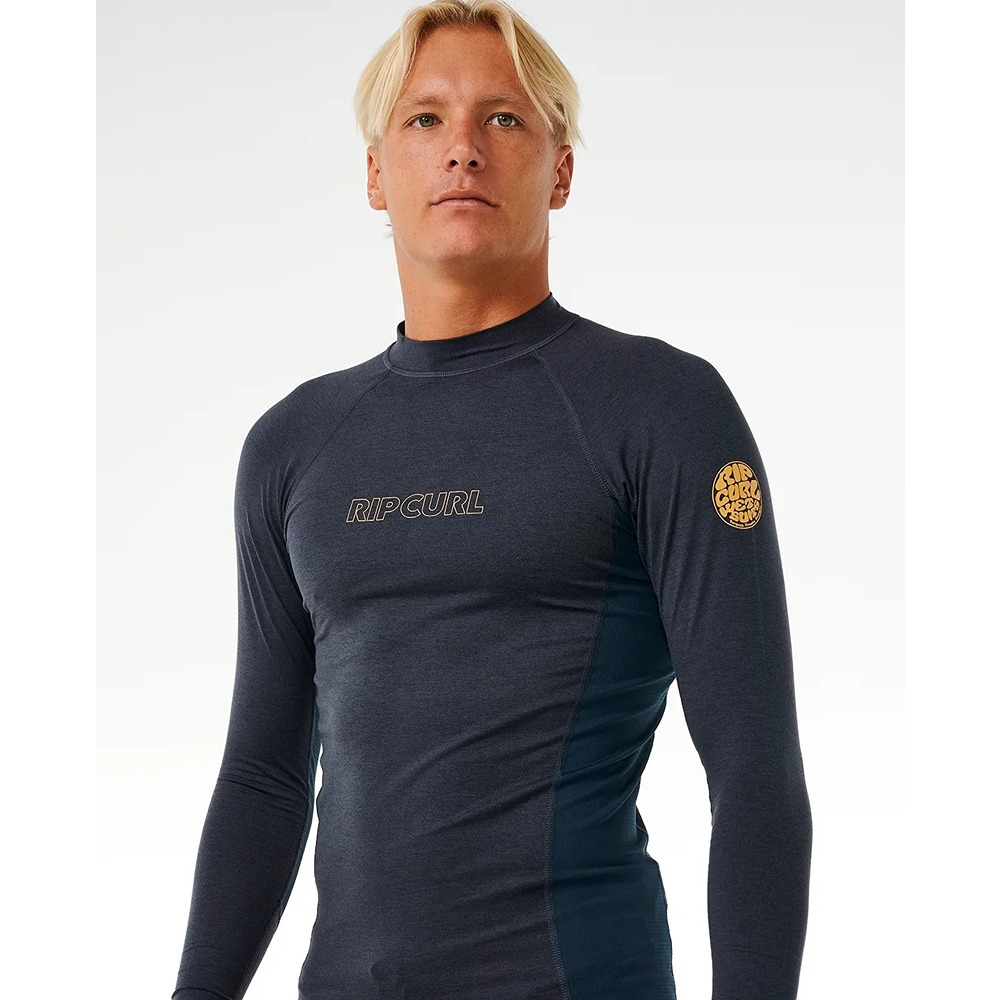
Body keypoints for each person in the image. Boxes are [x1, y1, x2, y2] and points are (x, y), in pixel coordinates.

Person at [170, 2, 813, 998]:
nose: (462, 147)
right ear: (375, 174)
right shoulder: (293, 443)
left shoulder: (659, 407)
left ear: (561, 170)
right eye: (424, 118)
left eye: (503, 118)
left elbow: (753, 770)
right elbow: (263, 778)